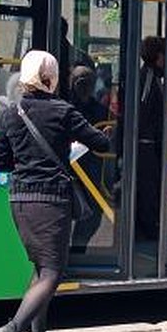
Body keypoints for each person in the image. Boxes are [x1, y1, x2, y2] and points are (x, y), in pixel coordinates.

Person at [0, 50, 111, 332]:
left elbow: (1, 164)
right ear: (52, 77)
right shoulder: (63, 111)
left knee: (42, 266)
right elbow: (101, 143)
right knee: (54, 272)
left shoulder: (11, 112)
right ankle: (12, 330)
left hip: (19, 202)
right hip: (50, 201)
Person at [68, 64, 109, 249]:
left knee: (91, 213)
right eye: (80, 82)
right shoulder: (66, 107)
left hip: (87, 169)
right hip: (78, 169)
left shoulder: (98, 109)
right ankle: (74, 250)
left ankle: (76, 249)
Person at [135, 36, 165, 240]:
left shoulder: (152, 76)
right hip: (145, 143)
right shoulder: (148, 77)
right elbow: (143, 109)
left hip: (148, 142)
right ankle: (149, 229)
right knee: (148, 187)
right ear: (158, 56)